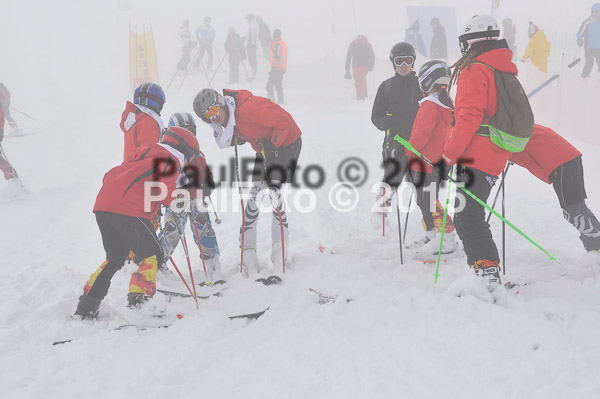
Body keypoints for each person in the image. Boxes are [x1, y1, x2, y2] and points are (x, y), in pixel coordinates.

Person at [74, 127, 200, 318]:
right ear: (183, 150)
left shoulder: (141, 156)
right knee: (152, 255)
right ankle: (141, 304)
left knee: (115, 257)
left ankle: (86, 306)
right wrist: (186, 198)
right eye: (189, 157)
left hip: (103, 206)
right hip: (128, 209)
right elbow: (167, 193)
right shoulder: (169, 160)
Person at [442, 14, 524, 285]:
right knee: (470, 213)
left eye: (465, 43)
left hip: (476, 152)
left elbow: (468, 118)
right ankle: (485, 272)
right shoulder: (502, 66)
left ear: (472, 42)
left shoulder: (476, 68)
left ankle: (486, 276)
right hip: (497, 151)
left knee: (466, 216)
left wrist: (448, 155)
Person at [193, 88, 302, 275]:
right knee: (255, 195)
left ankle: (280, 250)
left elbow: (284, 121)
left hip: (285, 143)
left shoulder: (247, 109)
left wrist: (273, 144)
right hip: (267, 146)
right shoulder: (230, 120)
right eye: (208, 117)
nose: (214, 118)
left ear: (220, 102)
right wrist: (245, 140)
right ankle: (248, 248)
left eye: (213, 111)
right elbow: (249, 131)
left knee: (274, 193)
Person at [510, 124, 600, 252]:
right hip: (570, 158)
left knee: (573, 210)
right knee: (579, 207)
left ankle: (595, 248)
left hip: (560, 162)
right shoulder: (518, 123)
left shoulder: (504, 129)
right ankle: (596, 248)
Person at [157, 112, 222, 281]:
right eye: (183, 130)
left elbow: (206, 176)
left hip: (196, 197)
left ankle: (212, 260)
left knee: (203, 227)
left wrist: (207, 183)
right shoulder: (166, 154)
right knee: (172, 229)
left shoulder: (197, 155)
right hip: (176, 198)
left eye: (191, 130)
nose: (188, 135)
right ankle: (157, 262)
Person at [404, 60, 458, 259]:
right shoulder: (445, 104)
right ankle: (433, 235)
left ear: (427, 81)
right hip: (436, 162)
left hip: (425, 163)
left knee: (428, 200)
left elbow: (421, 134)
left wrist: (408, 149)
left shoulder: (429, 105)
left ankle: (447, 236)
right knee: (425, 200)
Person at [371, 42, 422, 218]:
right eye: (399, 61)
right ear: (393, 63)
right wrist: (383, 122)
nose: (404, 66)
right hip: (395, 142)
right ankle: (380, 219)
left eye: (408, 61)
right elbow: (375, 116)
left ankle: (432, 225)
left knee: (423, 187)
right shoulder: (387, 87)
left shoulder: (421, 84)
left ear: (413, 62)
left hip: (419, 143)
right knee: (391, 182)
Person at [120, 82, 165, 160]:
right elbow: (151, 154)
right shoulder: (148, 122)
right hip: (145, 171)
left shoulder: (134, 120)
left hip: (134, 169)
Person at [345, 35, 375, 100]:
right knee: (362, 80)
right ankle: (364, 96)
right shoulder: (368, 45)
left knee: (358, 81)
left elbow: (348, 56)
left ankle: (360, 97)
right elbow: (372, 56)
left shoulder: (353, 44)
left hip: (356, 66)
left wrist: (347, 69)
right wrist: (371, 66)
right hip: (365, 66)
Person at [577, 3, 600, 78]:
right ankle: (584, 78)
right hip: (589, 48)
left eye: (596, 12)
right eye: (592, 12)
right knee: (589, 64)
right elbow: (580, 33)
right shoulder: (587, 23)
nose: (593, 13)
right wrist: (579, 39)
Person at [266, 29, 288, 104]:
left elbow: (277, 56)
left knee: (269, 86)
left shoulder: (278, 44)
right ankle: (280, 101)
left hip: (276, 68)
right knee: (278, 86)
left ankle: (271, 102)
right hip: (281, 69)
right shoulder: (281, 43)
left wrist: (273, 66)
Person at [245, 14, 260, 79]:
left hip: (252, 46)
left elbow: (254, 36)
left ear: (250, 19)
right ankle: (253, 73)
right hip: (250, 46)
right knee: (251, 59)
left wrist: (253, 45)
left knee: (252, 59)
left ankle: (254, 74)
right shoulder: (251, 26)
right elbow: (249, 36)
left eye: (247, 19)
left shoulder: (254, 26)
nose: (247, 21)